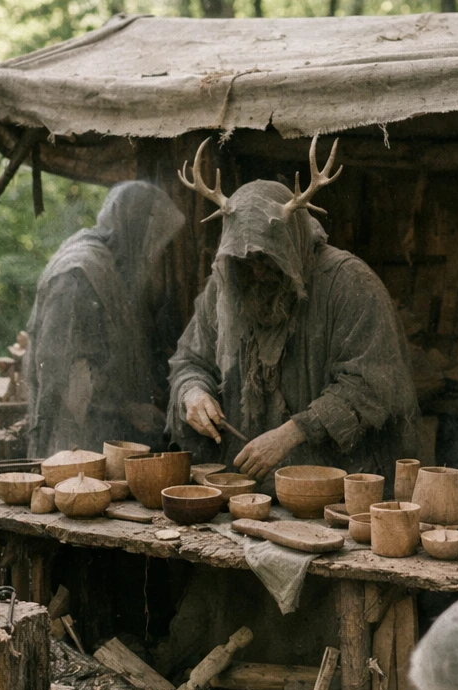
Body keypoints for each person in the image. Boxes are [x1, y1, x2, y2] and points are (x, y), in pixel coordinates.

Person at [167, 138, 418, 483]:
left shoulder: (349, 283)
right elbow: (190, 361)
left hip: (342, 489)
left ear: (290, 245)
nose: (256, 271)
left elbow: (370, 385)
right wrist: (192, 392)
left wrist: (293, 432)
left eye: (268, 260)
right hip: (251, 492)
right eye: (244, 261)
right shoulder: (228, 286)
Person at [25, 182, 185, 456]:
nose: (156, 253)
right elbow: (64, 374)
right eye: (155, 241)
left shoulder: (112, 267)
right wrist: (128, 408)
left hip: (103, 438)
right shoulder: (79, 273)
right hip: (72, 445)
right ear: (136, 229)